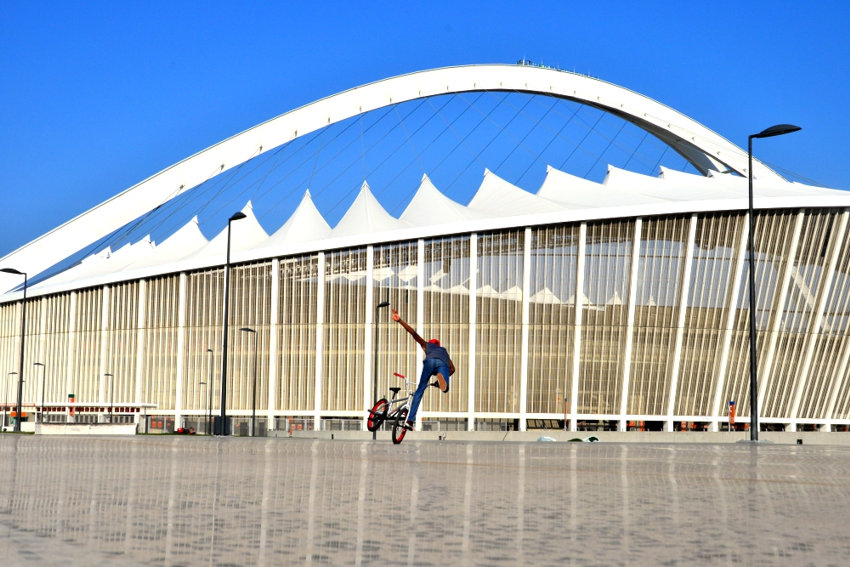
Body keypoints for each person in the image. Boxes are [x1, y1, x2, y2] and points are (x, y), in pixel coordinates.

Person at [392, 309, 455, 430]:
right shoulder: (444, 351)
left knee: (420, 390)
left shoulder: (426, 345)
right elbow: (453, 369)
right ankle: (442, 381)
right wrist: (444, 375)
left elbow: (413, 333)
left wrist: (400, 320)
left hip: (429, 361)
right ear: (439, 344)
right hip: (443, 364)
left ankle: (410, 420)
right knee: (445, 387)